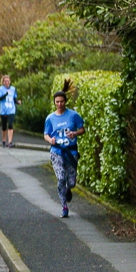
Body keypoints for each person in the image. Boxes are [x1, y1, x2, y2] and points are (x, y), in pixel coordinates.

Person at [43, 80, 85, 218]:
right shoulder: (50, 118)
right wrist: (51, 140)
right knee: (61, 178)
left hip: (71, 152)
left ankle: (68, 190)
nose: (59, 104)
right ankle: (64, 206)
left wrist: (75, 133)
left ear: (65, 101)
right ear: (54, 102)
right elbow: (46, 134)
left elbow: (82, 129)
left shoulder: (73, 115)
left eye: (61, 101)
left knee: (71, 182)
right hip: (56, 152)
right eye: (57, 102)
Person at [0, 75, 21, 148]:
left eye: (8, 81)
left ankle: (10, 142)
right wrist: (6, 94)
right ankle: (4, 140)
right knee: (4, 126)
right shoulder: (0, 89)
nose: (7, 82)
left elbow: (14, 98)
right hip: (4, 110)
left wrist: (17, 102)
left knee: (10, 124)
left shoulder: (13, 89)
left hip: (11, 109)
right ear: (3, 82)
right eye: (5, 81)